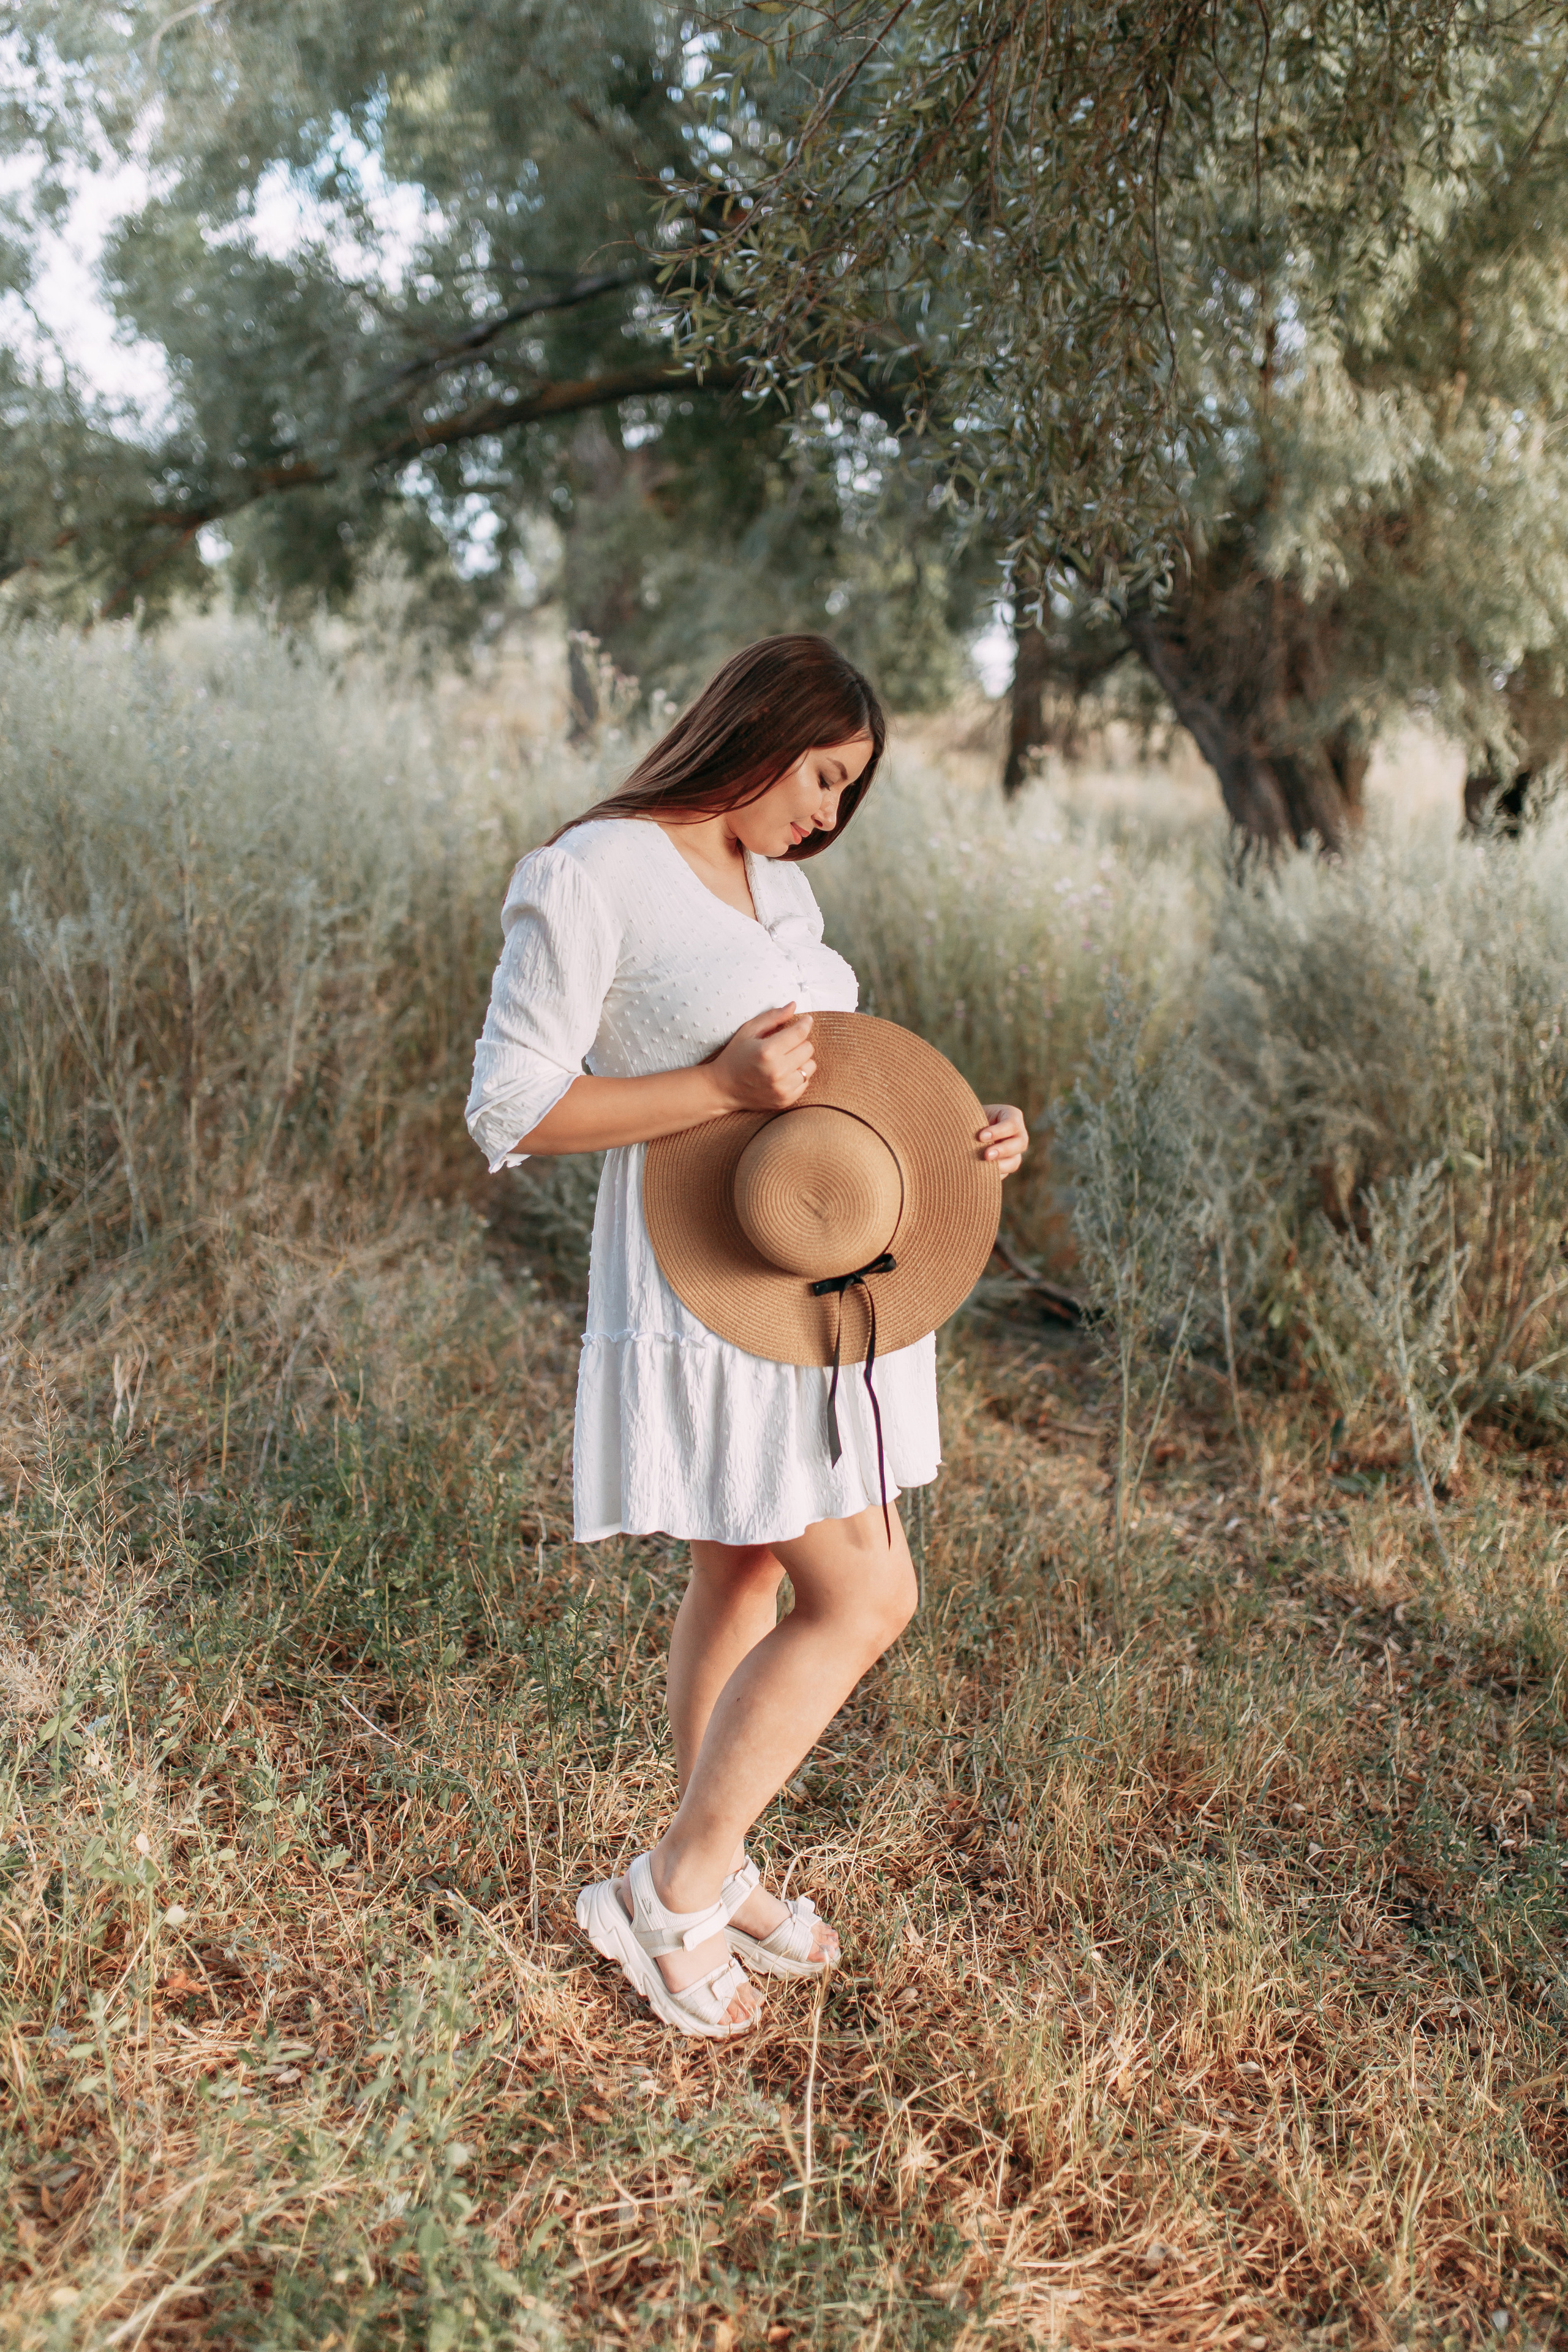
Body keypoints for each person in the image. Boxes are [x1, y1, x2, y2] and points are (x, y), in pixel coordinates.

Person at [466, 636, 1028, 2037]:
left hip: (816, 1277)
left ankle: (713, 1868)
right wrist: (714, 1085)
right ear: (758, 733)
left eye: (847, 792)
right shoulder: (594, 870)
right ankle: (668, 1890)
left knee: (742, 1574)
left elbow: (823, 1081)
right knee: (868, 1598)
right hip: (716, 1277)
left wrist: (959, 1143)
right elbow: (512, 1107)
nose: (828, 815)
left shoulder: (775, 884)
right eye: (822, 777)